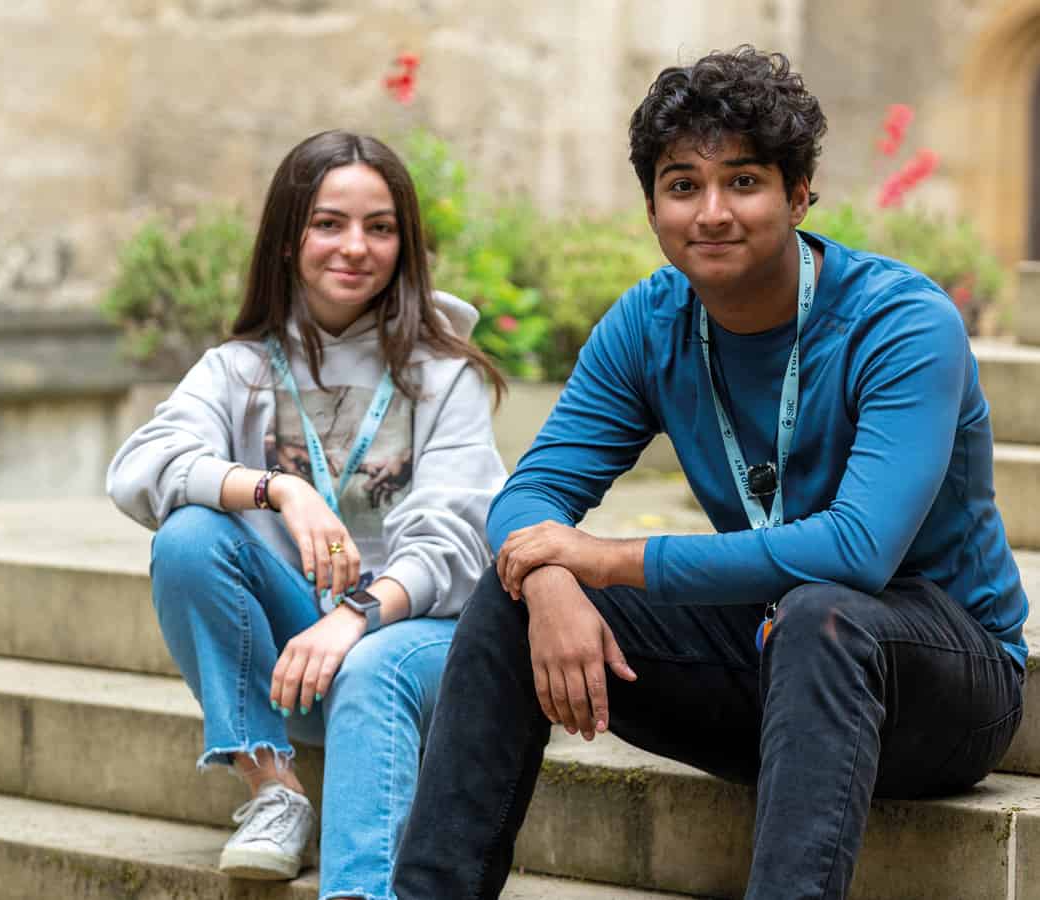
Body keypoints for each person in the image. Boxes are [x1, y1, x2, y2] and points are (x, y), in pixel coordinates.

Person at [392, 46, 1029, 900]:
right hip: (773, 672)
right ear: (654, 206)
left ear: (800, 195)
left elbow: (857, 551)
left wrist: (608, 559)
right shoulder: (651, 322)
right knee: (510, 599)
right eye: (683, 185)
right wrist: (548, 582)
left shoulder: (900, 323)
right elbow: (531, 496)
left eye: (745, 181)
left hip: (944, 688)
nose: (712, 213)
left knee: (823, 614)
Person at [106, 130, 507, 897]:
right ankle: (274, 790)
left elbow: (460, 541)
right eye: (330, 223)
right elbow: (136, 469)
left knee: (370, 664)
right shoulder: (240, 368)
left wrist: (356, 614)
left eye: (380, 227)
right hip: (294, 654)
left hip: (413, 645)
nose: (355, 247)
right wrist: (278, 489)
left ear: (405, 242)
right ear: (289, 239)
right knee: (190, 536)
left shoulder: (443, 371)